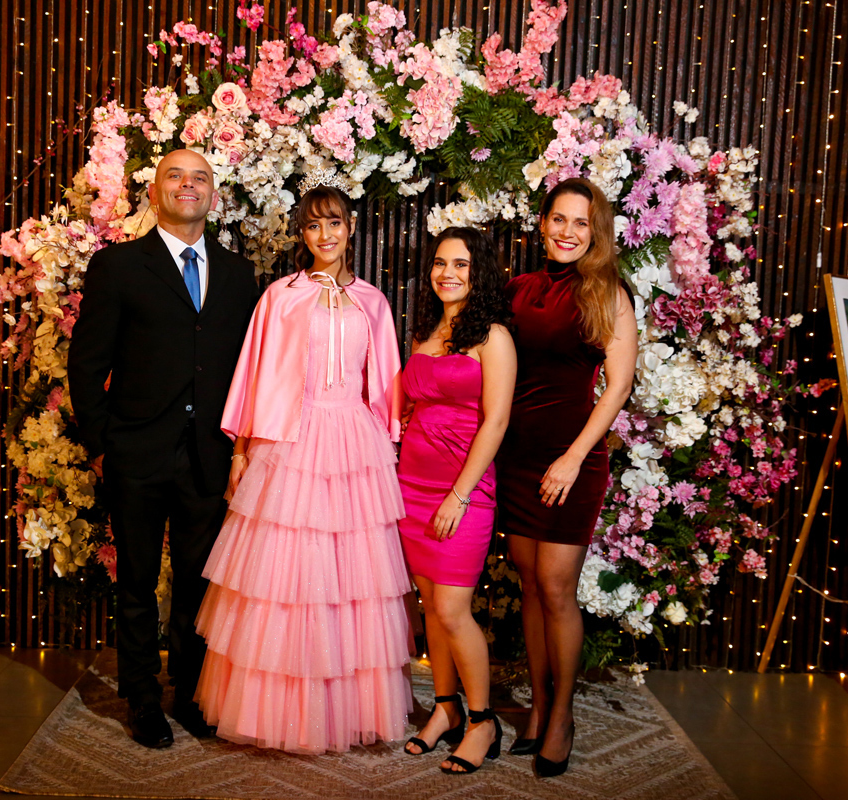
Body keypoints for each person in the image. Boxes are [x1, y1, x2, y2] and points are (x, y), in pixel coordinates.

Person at [193, 169, 412, 753]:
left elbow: (386, 379)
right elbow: (255, 372)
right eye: (314, 226)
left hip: (354, 442)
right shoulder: (280, 297)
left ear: (351, 227)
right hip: (290, 439)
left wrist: (390, 447)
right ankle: (278, 712)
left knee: (351, 579)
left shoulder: (372, 301)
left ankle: (345, 708)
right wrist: (241, 447)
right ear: (303, 234)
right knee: (285, 576)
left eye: (334, 223)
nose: (325, 234)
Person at [67, 149, 259, 747]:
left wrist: (242, 448)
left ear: (213, 196)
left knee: (200, 582)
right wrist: (101, 446)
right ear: (155, 193)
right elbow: (86, 363)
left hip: (210, 455)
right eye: (175, 175)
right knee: (137, 581)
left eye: (200, 178)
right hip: (137, 452)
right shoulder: (119, 266)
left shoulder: (239, 274)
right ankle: (142, 696)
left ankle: (192, 692)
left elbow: (248, 369)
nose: (187, 185)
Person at [495, 177, 637, 778]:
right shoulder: (517, 289)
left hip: (571, 458)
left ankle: (562, 716)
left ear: (595, 231)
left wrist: (575, 457)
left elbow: (618, 387)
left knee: (556, 588)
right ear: (543, 222)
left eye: (581, 222)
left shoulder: (608, 293)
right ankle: (537, 704)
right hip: (516, 454)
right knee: (529, 584)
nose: (567, 232)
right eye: (559, 219)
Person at [397, 227, 516, 774]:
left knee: (451, 609)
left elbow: (496, 421)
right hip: (411, 488)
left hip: (461, 493)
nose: (448, 273)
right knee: (431, 609)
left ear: (479, 272)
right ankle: (445, 708)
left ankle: (482, 720)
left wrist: (459, 495)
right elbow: (413, 404)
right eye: (441, 263)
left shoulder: (493, 337)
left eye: (461, 264)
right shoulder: (426, 332)